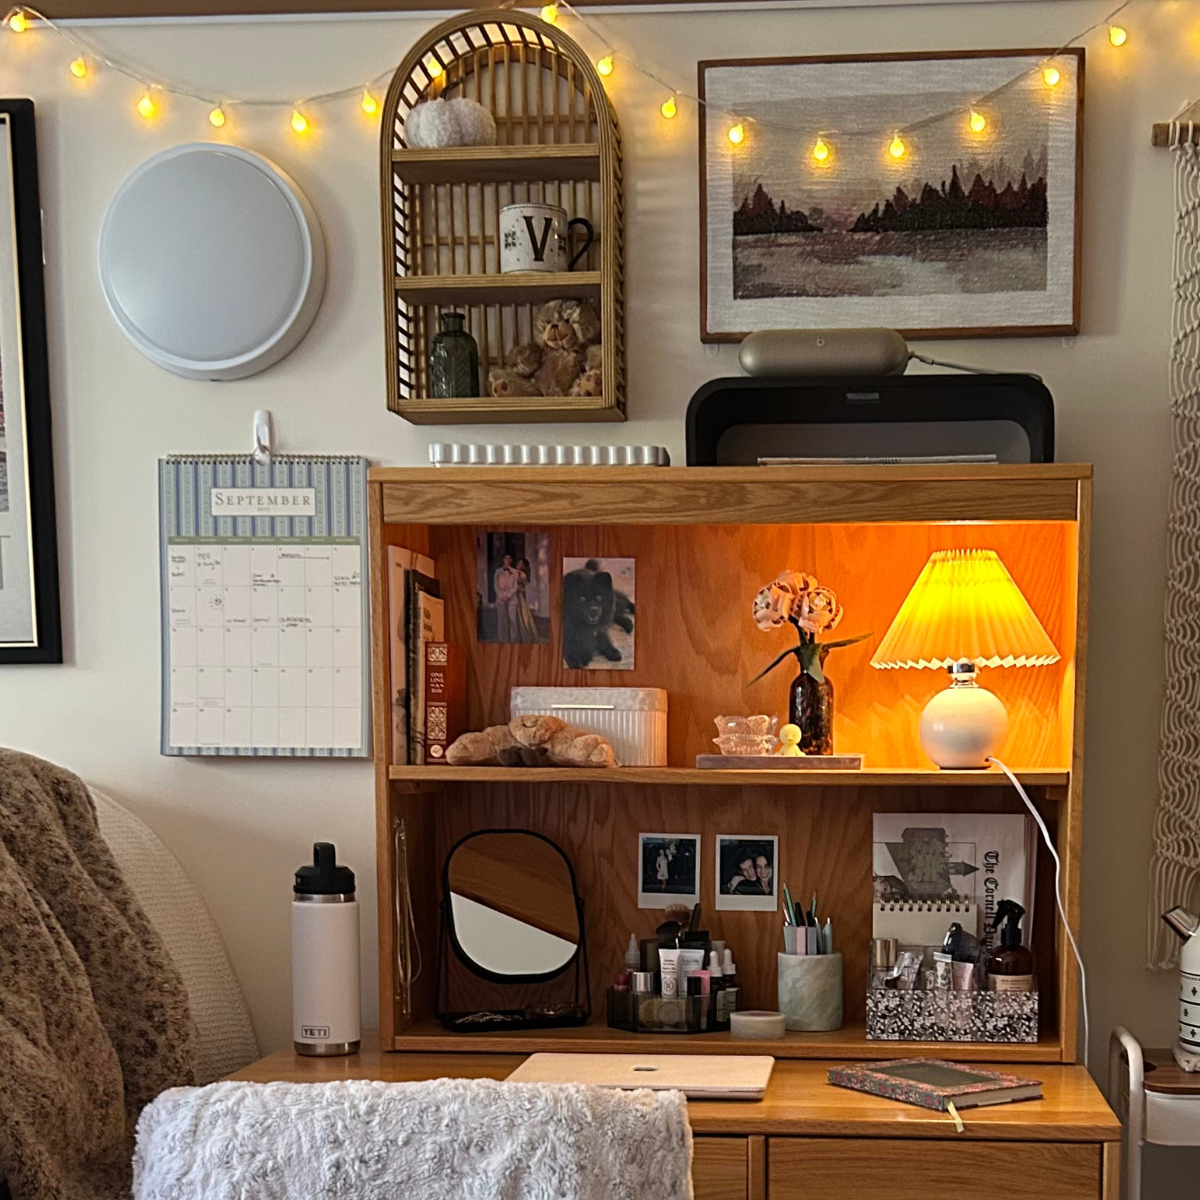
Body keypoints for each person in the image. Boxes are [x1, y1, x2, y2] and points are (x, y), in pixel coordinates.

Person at [493, 553, 519, 642]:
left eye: (509, 558)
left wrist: (508, 595)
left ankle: (513, 641)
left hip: (511, 598)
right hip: (501, 598)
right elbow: (496, 585)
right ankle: (502, 641)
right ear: (503, 560)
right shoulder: (498, 572)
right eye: (506, 558)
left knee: (513, 621)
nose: (507, 560)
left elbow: (515, 586)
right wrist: (501, 595)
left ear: (511, 560)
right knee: (501, 622)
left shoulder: (515, 572)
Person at [515, 557, 541, 644]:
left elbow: (521, 588)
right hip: (512, 596)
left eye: (521, 564)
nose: (519, 565)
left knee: (521, 616)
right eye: (519, 563)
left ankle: (523, 635)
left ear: (523, 567)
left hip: (518, 597)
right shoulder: (513, 572)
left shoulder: (522, 575)